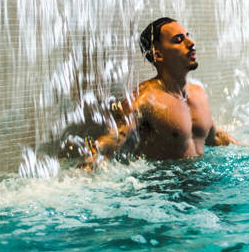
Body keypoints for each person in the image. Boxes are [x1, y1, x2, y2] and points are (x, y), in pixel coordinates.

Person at [80, 17, 235, 169]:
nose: (191, 43)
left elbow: (214, 137)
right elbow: (113, 140)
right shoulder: (145, 99)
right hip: (165, 188)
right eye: (179, 40)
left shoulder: (199, 93)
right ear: (157, 54)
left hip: (202, 183)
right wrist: (83, 172)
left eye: (187, 36)